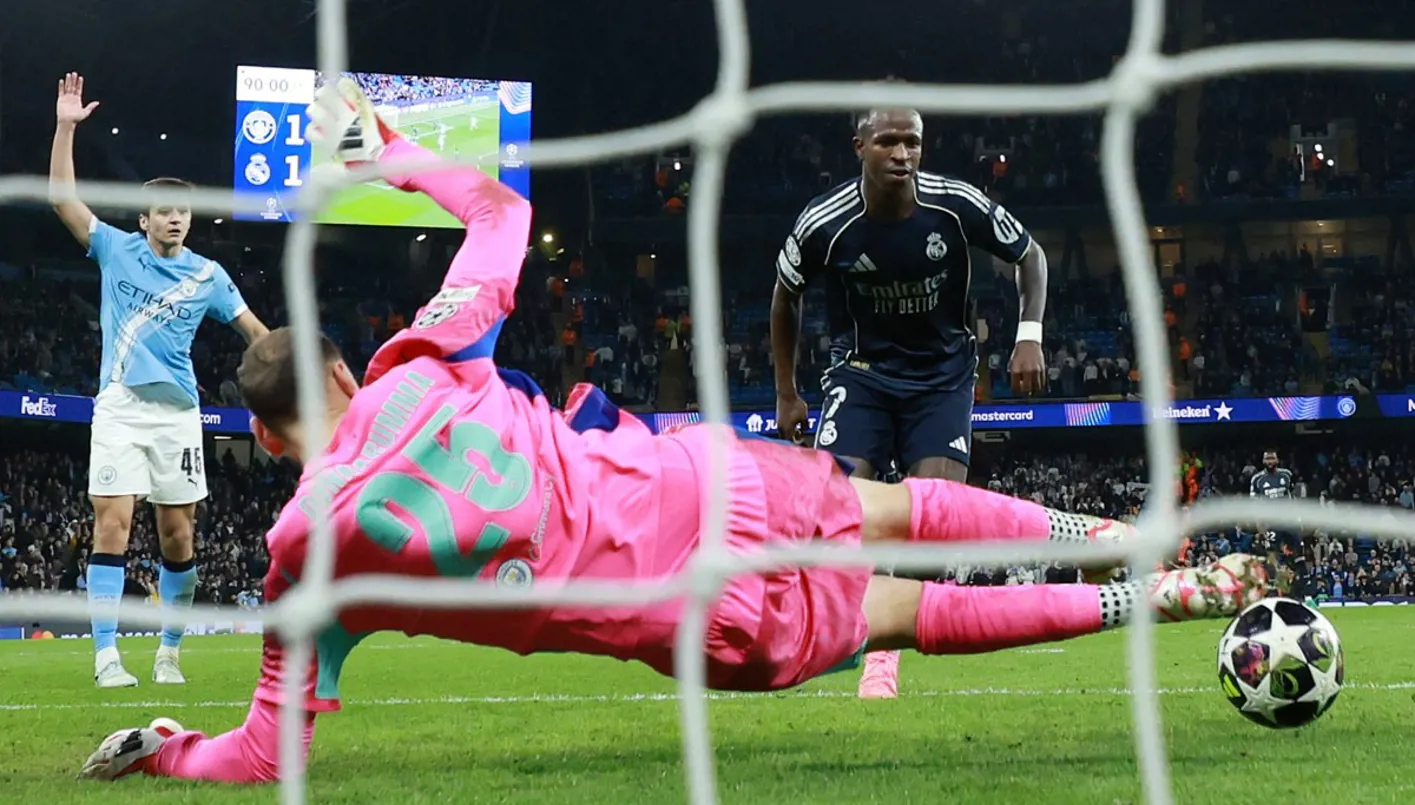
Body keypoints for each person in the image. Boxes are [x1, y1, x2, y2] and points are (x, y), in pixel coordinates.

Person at [78, 80, 1273, 783]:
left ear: (266, 441)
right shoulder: (423, 356)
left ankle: (1151, 596)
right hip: (710, 480)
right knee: (901, 507)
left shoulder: (304, 554)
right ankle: (1112, 536)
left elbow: (264, 755)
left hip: (702, 613)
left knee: (905, 616)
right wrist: (385, 151)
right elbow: (500, 210)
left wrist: (166, 748)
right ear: (345, 366)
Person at [770, 102, 1048, 698]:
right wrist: (786, 394)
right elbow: (784, 296)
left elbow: (1030, 255)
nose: (902, 154)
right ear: (859, 147)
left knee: (936, 518)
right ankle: (826, 625)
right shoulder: (824, 222)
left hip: (941, 378)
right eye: (888, 142)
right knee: (838, 511)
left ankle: (883, 651)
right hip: (862, 375)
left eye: (913, 143)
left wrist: (1030, 335)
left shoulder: (955, 204)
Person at [49, 72, 270, 688]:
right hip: (120, 407)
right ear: (145, 220)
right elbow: (63, 201)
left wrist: (290, 370)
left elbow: (254, 331)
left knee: (178, 536)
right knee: (111, 525)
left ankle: (169, 652)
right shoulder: (116, 250)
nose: (176, 219)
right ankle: (106, 657)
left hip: (178, 416)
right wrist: (66, 128)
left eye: (184, 212)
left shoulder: (209, 275)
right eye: (166, 212)